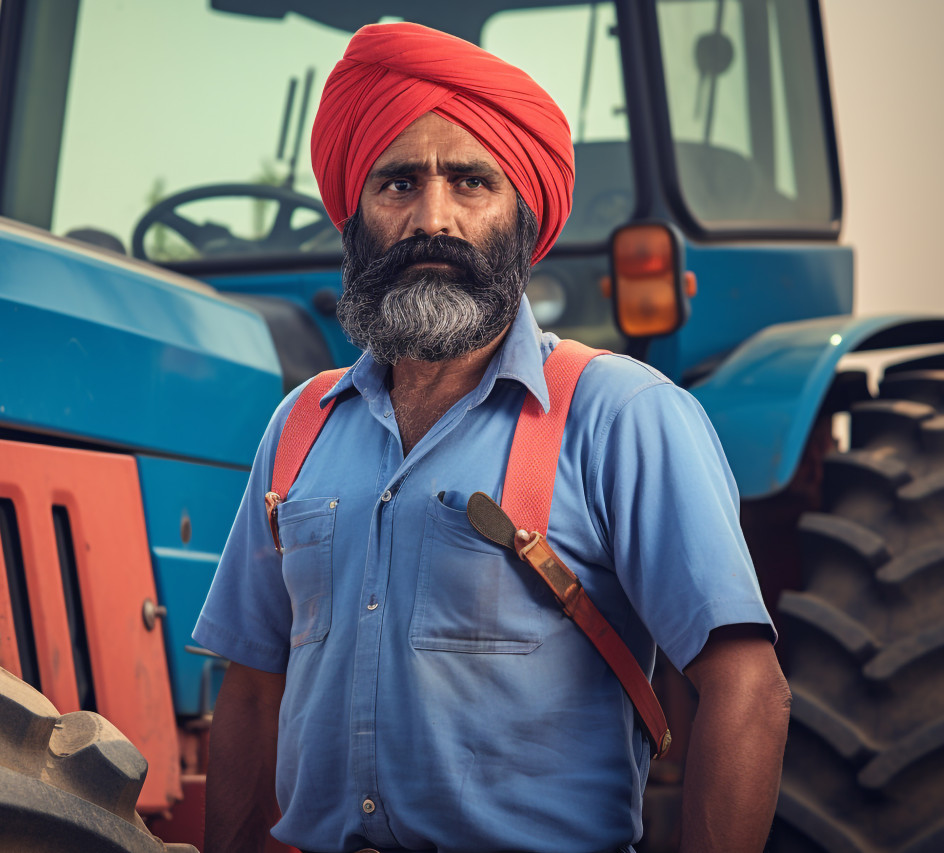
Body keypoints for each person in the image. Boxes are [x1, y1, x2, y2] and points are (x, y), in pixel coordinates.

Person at [193, 22, 790, 853]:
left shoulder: (620, 415)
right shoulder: (300, 425)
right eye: (397, 183)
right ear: (354, 215)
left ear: (520, 215)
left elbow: (746, 689)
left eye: (470, 182)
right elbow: (254, 691)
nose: (431, 217)